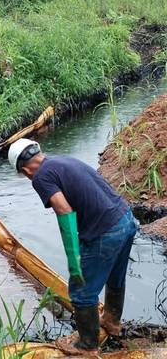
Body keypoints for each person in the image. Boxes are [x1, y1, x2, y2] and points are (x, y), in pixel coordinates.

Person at [8, 138, 137, 355]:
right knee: (115, 276)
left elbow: (64, 210)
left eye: (24, 174)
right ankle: (112, 322)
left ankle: (87, 346)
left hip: (106, 231)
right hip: (126, 220)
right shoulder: (62, 161)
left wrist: (72, 255)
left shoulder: (40, 176)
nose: (28, 177)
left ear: (25, 168)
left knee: (81, 292)